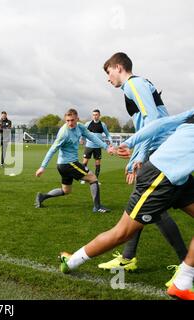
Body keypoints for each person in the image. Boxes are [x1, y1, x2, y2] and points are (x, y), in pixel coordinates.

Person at [58, 110, 194, 300]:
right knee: (122, 233)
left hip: (181, 177)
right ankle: (71, 261)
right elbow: (160, 124)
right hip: (160, 177)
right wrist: (130, 144)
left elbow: (162, 124)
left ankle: (184, 282)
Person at [98, 52, 187, 272]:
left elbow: (153, 121)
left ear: (118, 67)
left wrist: (139, 156)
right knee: (141, 205)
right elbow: (149, 120)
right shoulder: (139, 84)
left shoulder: (133, 84)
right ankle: (129, 257)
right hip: (162, 148)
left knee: (154, 209)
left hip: (160, 149)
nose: (108, 79)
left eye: (109, 73)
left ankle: (187, 264)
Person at [35, 108, 114, 213]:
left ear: (77, 119)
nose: (70, 123)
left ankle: (42, 197)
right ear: (65, 120)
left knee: (66, 190)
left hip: (64, 165)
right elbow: (52, 150)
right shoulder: (64, 133)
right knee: (93, 178)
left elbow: (92, 137)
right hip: (68, 164)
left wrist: (106, 147)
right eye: (67, 120)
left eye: (72, 120)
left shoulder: (80, 127)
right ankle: (97, 206)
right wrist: (42, 167)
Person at [80, 109, 113, 183]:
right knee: (84, 163)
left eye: (96, 115)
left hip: (98, 147)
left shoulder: (103, 124)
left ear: (99, 115)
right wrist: (82, 139)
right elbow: (83, 132)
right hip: (88, 146)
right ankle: (84, 178)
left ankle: (95, 179)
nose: (95, 116)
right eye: (94, 115)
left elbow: (107, 134)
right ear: (92, 116)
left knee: (97, 164)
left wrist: (111, 142)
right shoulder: (88, 124)